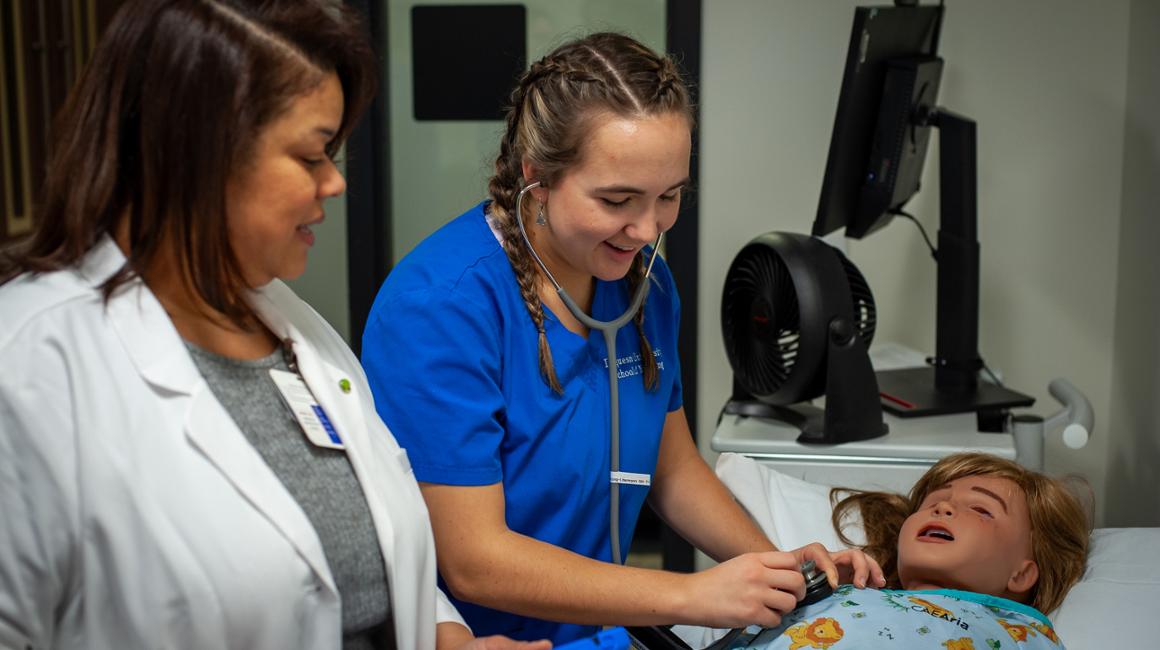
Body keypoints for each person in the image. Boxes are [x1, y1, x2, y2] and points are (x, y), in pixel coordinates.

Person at [0, 2, 547, 649]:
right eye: (314, 155)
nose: (336, 183)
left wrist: (446, 637)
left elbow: (373, 558)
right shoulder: (31, 366)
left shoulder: (301, 334)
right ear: (197, 150)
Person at [359, 32, 884, 646]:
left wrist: (783, 569)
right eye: (616, 200)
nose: (645, 228)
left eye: (670, 196)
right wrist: (690, 594)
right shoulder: (441, 308)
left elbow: (672, 468)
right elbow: (474, 560)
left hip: (600, 633)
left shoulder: (642, 282)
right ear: (536, 176)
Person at [697, 452, 1090, 649]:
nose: (944, 507)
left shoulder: (1021, 635)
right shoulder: (842, 590)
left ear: (1022, 573)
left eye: (982, 510)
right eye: (934, 501)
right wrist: (804, 588)